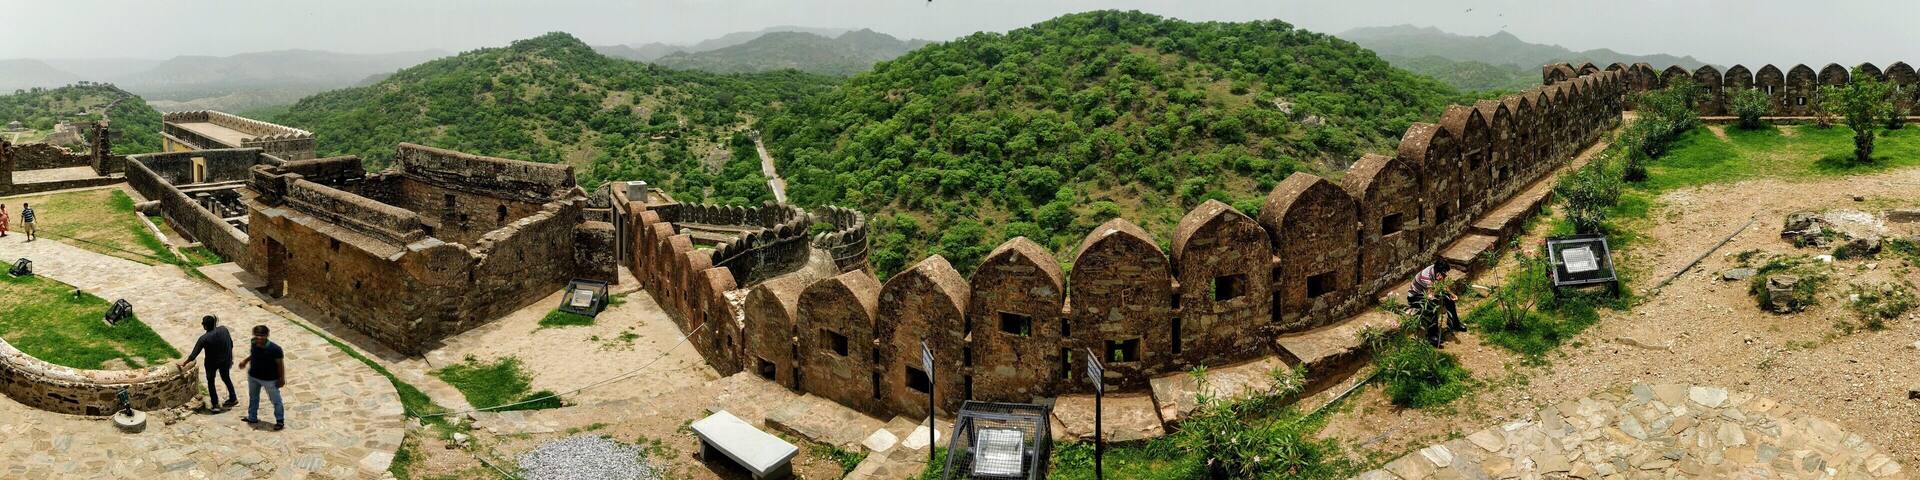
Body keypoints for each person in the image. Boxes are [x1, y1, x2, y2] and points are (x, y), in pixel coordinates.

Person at [180, 315, 237, 413]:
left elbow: (193, 355)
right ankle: (233, 398)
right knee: (226, 378)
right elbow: (231, 344)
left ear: (205, 326)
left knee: (211, 382)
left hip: (211, 364)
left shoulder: (204, 338)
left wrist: (184, 363)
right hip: (225, 361)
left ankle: (215, 405)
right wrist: (230, 357)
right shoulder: (224, 329)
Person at [237, 324, 287, 431]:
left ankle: (280, 421)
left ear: (267, 335)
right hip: (253, 376)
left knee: (276, 400)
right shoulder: (253, 342)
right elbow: (253, 354)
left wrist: (281, 379)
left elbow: (280, 364)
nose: (259, 337)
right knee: (253, 397)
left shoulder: (275, 349)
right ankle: (252, 417)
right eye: (257, 335)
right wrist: (245, 361)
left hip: (269, 379)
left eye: (262, 335)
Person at [1409, 258, 1466, 346]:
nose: (1445, 275)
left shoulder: (1437, 270)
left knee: (1449, 299)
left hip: (1428, 293)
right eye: (1444, 273)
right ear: (1440, 271)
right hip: (1415, 297)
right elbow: (1430, 295)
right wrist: (1439, 283)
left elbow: (1442, 285)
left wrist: (1451, 294)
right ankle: (1432, 335)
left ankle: (1455, 323)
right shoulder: (1426, 276)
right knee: (1432, 306)